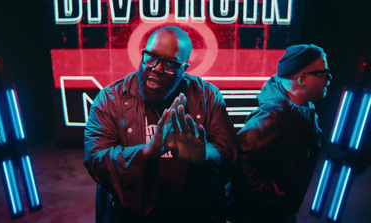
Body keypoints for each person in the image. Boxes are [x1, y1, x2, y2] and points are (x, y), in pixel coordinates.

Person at [84, 26, 237, 223]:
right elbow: (95, 158)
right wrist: (145, 153)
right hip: (131, 215)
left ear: (184, 69)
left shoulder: (207, 96)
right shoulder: (111, 98)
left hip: (192, 213)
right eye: (151, 56)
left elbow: (231, 153)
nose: (156, 67)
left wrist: (205, 155)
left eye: (170, 64)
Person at [227, 44, 332, 223]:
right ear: (303, 79)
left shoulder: (304, 109)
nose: (328, 79)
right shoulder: (273, 116)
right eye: (323, 73)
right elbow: (236, 155)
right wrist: (267, 192)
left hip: (279, 213)